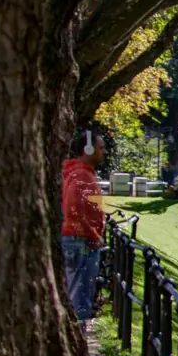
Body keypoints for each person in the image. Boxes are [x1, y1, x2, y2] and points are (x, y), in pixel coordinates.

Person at [61, 129, 107, 329]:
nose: (104, 152)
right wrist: (93, 234)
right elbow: (74, 208)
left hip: (82, 240)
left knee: (81, 293)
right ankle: (78, 340)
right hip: (82, 242)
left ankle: (78, 339)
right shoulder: (80, 174)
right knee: (79, 294)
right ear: (88, 149)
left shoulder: (83, 173)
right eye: (100, 148)